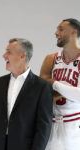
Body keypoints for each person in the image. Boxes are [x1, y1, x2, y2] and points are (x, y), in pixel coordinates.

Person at [0, 38, 53, 150]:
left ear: (22, 56)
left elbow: (43, 127)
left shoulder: (42, 87)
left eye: (9, 52)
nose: (4, 55)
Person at [40, 18, 80, 150]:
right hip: (50, 126)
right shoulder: (51, 59)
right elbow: (42, 93)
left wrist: (55, 84)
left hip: (74, 126)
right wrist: (69, 91)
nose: (56, 33)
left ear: (74, 32)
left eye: (61, 29)